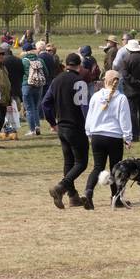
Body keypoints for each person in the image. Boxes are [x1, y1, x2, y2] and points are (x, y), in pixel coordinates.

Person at [45, 52, 91, 209]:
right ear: (79, 66)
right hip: (76, 126)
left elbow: (45, 103)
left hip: (62, 126)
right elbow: (85, 107)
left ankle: (73, 197)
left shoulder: (56, 80)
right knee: (81, 162)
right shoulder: (80, 82)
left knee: (69, 162)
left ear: (66, 64)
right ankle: (61, 187)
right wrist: (89, 126)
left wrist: (52, 122)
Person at [84, 70, 133, 209]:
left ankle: (88, 192)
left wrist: (89, 133)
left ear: (105, 80)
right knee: (115, 168)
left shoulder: (95, 96)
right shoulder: (121, 98)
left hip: (97, 136)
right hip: (114, 136)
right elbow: (124, 119)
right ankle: (115, 198)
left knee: (98, 167)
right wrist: (128, 137)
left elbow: (90, 116)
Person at [0, 45, 18, 143]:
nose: (1, 56)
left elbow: (7, 82)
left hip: (4, 98)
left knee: (1, 121)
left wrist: (9, 98)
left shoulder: (3, 66)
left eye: (2, 54)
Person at [20, 48, 45, 137]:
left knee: (29, 109)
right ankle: (37, 126)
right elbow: (46, 72)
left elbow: (20, 73)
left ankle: (32, 129)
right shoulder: (40, 60)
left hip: (27, 85)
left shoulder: (23, 61)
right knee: (35, 108)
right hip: (39, 85)